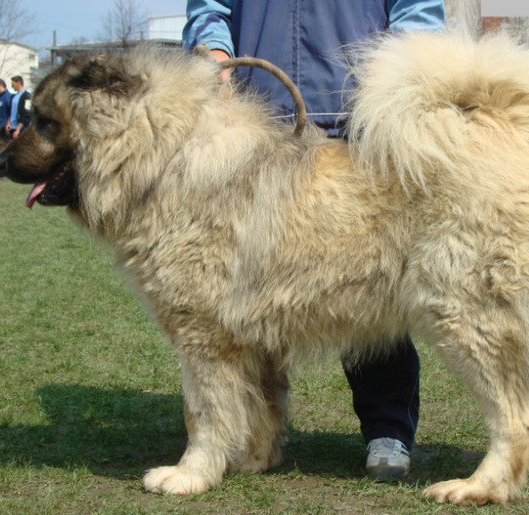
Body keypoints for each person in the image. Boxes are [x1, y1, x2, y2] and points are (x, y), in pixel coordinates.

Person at [183, 0, 445, 480]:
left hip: (363, 117)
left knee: (372, 287)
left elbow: (418, 12)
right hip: (254, 119)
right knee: (244, 297)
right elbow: (209, 8)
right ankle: (257, 434)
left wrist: (399, 71)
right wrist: (212, 53)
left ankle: (387, 430)